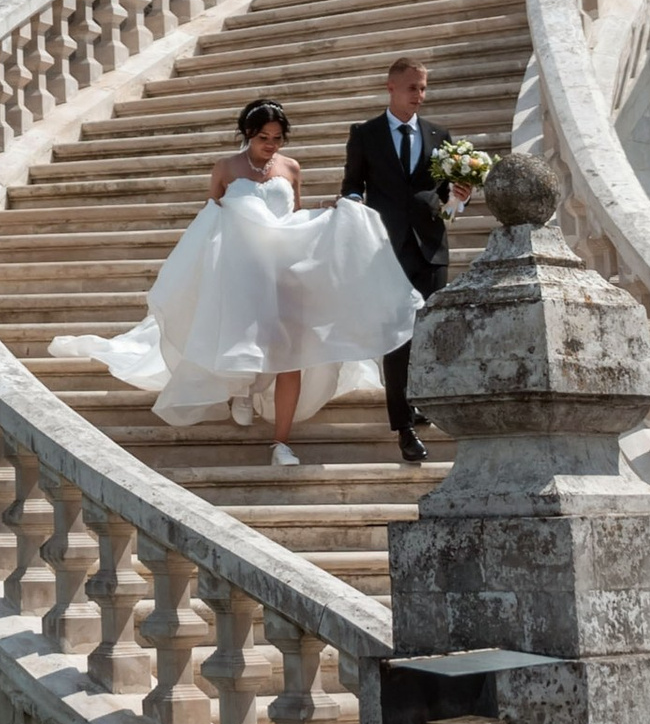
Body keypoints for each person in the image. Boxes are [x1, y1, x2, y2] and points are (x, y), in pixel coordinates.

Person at [50, 97, 420, 463]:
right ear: (248, 134)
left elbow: (292, 217)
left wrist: (325, 211)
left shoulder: (291, 168)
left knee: (292, 356)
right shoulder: (226, 168)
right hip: (241, 276)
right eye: (263, 138)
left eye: (277, 138)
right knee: (244, 343)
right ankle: (244, 390)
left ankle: (281, 444)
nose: (271, 145)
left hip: (284, 275)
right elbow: (211, 219)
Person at [341, 56, 451, 464]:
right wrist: (353, 206)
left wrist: (460, 196)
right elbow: (352, 186)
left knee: (425, 333)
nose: (419, 95)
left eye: (423, 88)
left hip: (431, 248)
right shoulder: (365, 134)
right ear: (391, 88)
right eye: (412, 88)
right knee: (396, 336)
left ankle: (416, 401)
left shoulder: (440, 135)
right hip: (385, 249)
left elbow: (445, 195)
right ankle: (404, 428)